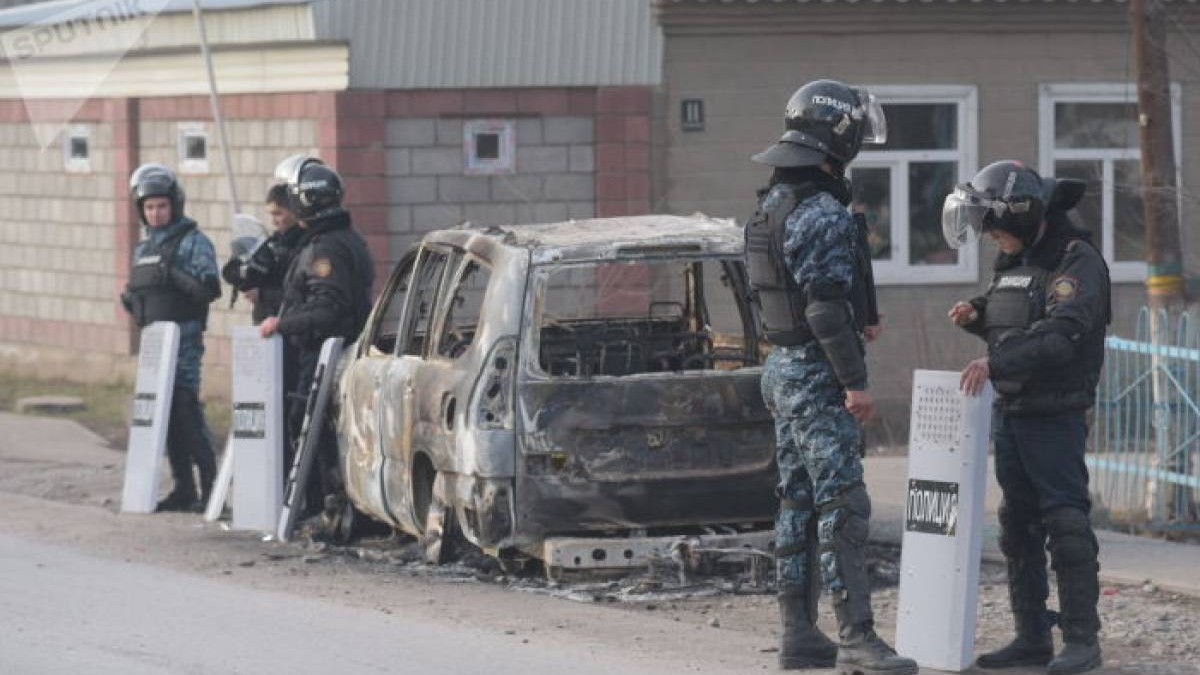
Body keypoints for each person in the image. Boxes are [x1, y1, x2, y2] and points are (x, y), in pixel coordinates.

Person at [745, 79, 915, 675]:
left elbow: (791, 297)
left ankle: (799, 634)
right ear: (837, 138)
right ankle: (856, 638)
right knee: (843, 502)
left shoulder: (771, 204)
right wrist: (855, 381)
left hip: (782, 367)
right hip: (817, 375)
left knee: (796, 498)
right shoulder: (821, 213)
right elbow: (822, 308)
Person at [944, 160, 1109, 675]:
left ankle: (1081, 640)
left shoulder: (1075, 259)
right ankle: (1031, 637)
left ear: (1018, 216)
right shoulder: (1015, 261)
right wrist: (977, 316)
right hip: (1013, 411)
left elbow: (1059, 336)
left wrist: (993, 363)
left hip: (1054, 414)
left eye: (995, 228)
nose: (991, 238)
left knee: (1065, 523)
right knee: (1017, 527)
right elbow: (1014, 319)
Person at [259, 155, 374, 523]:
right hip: (332, 350)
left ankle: (327, 509)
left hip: (324, 352)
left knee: (312, 426)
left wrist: (282, 324)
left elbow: (327, 308)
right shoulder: (340, 239)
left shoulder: (325, 249)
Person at [120, 164, 221, 512]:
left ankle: (211, 488)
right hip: (154, 346)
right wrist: (132, 301)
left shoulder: (193, 241)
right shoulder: (143, 249)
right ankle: (183, 487)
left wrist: (173, 274)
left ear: (174, 205)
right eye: (149, 207)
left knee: (186, 411)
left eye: (161, 206)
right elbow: (139, 292)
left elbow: (209, 289)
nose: (156, 213)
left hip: (184, 341)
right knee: (163, 418)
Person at [221, 182, 304, 325]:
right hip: (263, 321)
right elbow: (237, 275)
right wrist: (242, 267)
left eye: (278, 213)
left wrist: (263, 294)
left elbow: (303, 294)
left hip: (290, 323)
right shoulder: (271, 243)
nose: (273, 221)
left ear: (294, 211)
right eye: (271, 214)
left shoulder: (305, 245)